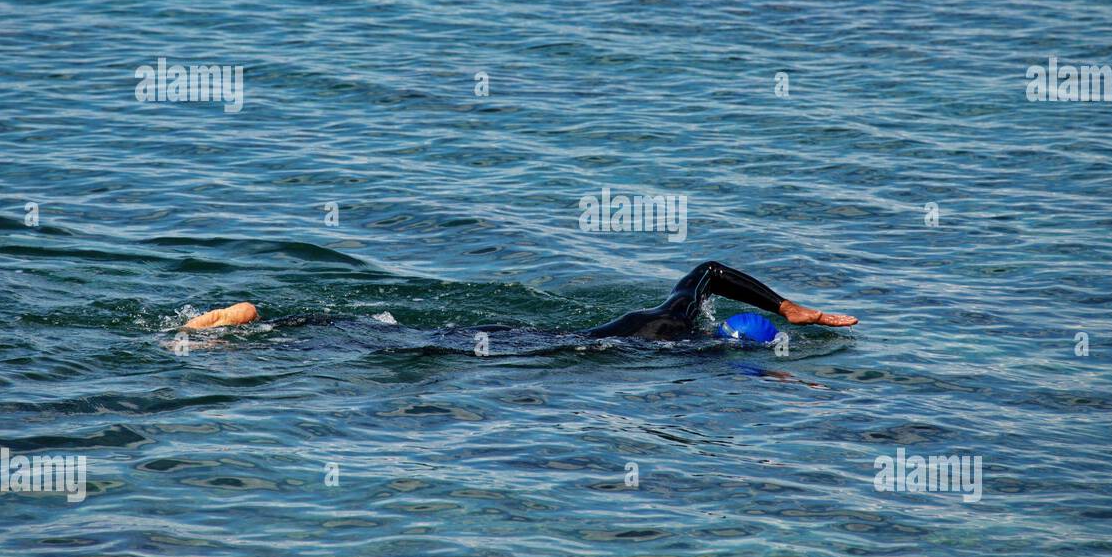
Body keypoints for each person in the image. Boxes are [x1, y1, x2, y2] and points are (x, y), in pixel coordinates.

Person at [181, 261, 857, 341]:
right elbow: (709, 274)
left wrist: (784, 307)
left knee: (397, 331)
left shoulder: (676, 314)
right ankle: (258, 325)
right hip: (553, 347)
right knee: (401, 338)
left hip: (556, 334)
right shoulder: (686, 336)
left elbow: (706, 269)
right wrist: (791, 319)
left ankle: (257, 322)